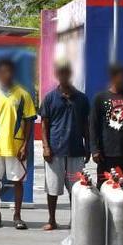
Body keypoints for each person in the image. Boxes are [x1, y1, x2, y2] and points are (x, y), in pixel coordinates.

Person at [0, 58, 36, 230]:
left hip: (16, 146)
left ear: (13, 73)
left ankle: (17, 216)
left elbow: (29, 122)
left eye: (9, 71)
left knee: (18, 181)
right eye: (3, 71)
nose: (6, 74)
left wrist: (25, 145)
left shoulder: (23, 94)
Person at [40, 59, 89, 230]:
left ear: (71, 74)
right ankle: (51, 220)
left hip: (76, 150)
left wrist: (88, 146)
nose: (64, 76)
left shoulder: (82, 99)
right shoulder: (50, 98)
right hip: (55, 150)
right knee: (52, 188)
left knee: (76, 189)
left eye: (67, 72)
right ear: (57, 75)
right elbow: (44, 124)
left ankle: (75, 220)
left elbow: (86, 125)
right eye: (61, 73)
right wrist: (46, 147)